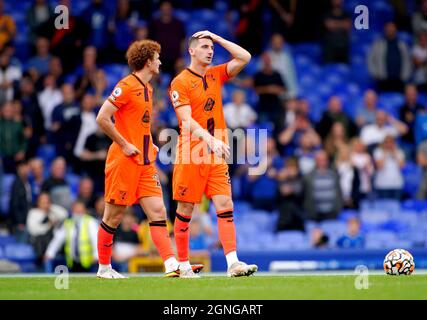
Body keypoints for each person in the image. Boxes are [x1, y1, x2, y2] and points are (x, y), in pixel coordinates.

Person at [95, 39, 200, 279]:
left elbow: (137, 123)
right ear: (148, 62)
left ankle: (171, 263)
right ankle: (103, 268)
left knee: (158, 211)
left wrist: (147, 141)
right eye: (157, 58)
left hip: (144, 162)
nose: (160, 61)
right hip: (123, 160)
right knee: (113, 216)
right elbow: (102, 117)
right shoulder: (127, 85)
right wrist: (124, 143)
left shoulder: (148, 88)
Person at [169, 30, 258, 277]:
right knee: (186, 209)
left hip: (216, 153)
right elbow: (186, 121)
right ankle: (184, 265)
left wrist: (217, 37)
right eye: (205, 47)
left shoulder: (215, 74)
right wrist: (209, 139)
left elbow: (245, 57)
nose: (210, 51)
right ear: (192, 50)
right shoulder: (180, 82)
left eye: (212, 48)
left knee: (225, 204)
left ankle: (233, 263)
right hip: (191, 153)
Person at [45, 200, 99, 272]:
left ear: (84, 211)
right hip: (72, 262)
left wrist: (96, 255)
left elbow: (95, 239)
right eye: (76, 210)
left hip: (90, 263)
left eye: (80, 210)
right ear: (72, 211)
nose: (78, 213)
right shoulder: (68, 223)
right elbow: (58, 239)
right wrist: (49, 253)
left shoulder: (90, 222)